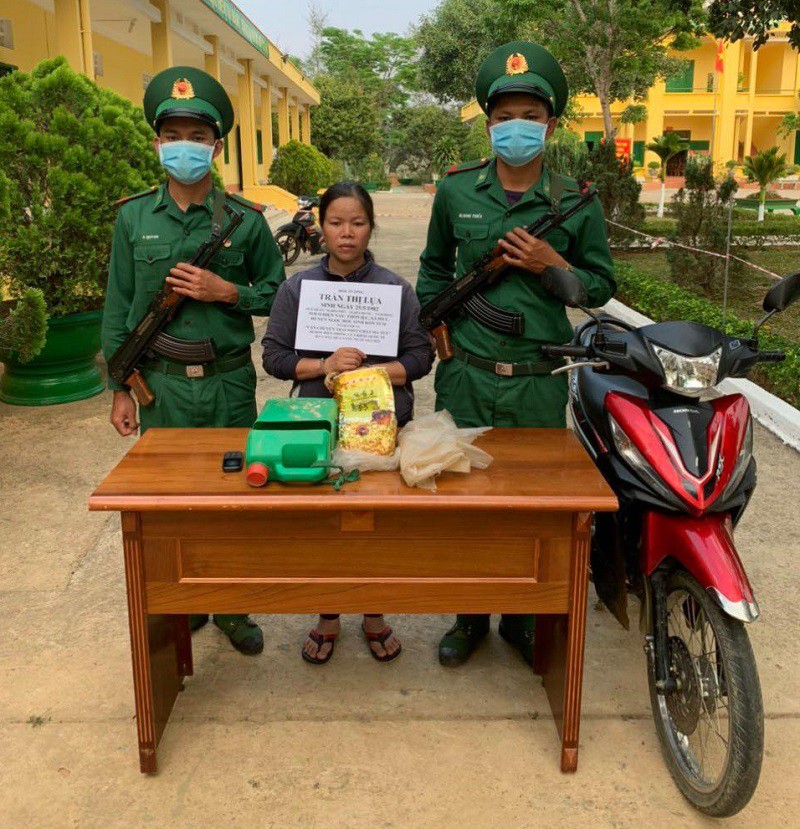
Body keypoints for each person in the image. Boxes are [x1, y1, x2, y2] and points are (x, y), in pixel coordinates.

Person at [416, 42, 616, 669]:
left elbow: (600, 286)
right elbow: (432, 270)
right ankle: (470, 616)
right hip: (467, 377)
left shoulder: (576, 200)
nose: (516, 128)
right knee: (465, 506)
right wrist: (437, 325)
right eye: (504, 118)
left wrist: (553, 264)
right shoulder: (456, 192)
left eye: (529, 116)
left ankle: (523, 620)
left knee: (532, 506)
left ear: (550, 125)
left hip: (535, 379)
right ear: (488, 124)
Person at [101, 66, 286, 656]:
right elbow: (119, 307)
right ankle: (184, 600)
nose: (185, 146)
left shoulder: (246, 221)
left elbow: (279, 294)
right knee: (168, 503)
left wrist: (227, 291)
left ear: (217, 146)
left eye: (197, 137)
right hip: (161, 386)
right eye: (173, 135)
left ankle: (233, 607)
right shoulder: (133, 218)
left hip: (228, 382)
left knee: (234, 498)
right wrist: (120, 388)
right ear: (158, 143)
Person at [262, 182, 434, 664]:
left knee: (376, 524)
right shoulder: (298, 289)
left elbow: (420, 357)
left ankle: (374, 612)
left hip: (381, 428)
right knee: (324, 527)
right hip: (318, 425)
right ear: (320, 227)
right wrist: (325, 365)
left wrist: (374, 373)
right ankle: (328, 614)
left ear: (371, 227)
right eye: (336, 222)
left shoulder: (395, 290)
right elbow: (274, 357)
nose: (346, 232)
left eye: (357, 223)